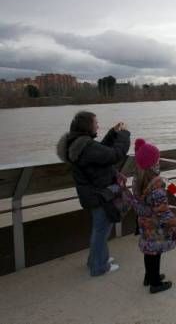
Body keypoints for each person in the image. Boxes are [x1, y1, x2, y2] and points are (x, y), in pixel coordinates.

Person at [56, 111, 130, 276]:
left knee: (100, 229)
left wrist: (112, 133)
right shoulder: (86, 147)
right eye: (95, 122)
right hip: (100, 195)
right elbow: (114, 155)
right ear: (87, 125)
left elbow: (100, 152)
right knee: (101, 231)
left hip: (93, 193)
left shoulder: (79, 144)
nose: (98, 125)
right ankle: (98, 267)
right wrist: (124, 135)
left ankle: (96, 260)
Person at [121, 138, 176, 294]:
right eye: (157, 160)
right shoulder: (157, 188)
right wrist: (172, 226)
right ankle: (155, 283)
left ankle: (149, 276)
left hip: (144, 223)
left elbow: (139, 205)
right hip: (156, 225)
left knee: (149, 251)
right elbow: (162, 211)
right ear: (153, 164)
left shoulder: (137, 181)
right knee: (155, 252)